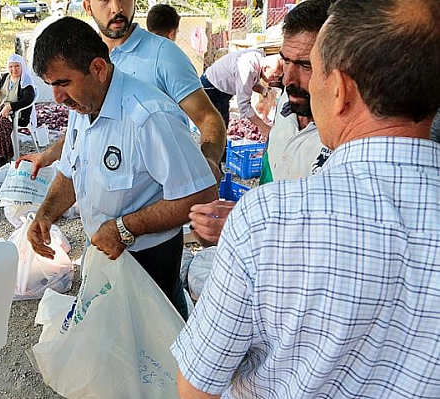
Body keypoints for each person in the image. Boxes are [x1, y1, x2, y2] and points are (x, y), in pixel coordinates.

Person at [173, 0, 440, 398]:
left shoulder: (265, 219)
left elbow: (198, 385)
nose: (300, 83)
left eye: (314, 68)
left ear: (340, 90)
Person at [28, 17, 219, 320]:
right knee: (116, 342)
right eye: (51, 86)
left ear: (98, 69)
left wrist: (124, 228)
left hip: (150, 261)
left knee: (159, 342)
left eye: (63, 83)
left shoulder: (149, 115)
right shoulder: (84, 105)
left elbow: (202, 194)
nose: (58, 98)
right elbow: (71, 171)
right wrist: (46, 214)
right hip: (106, 252)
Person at [18, 0, 226, 180]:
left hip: (158, 208)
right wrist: (49, 155)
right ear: (87, 7)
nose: (117, 8)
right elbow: (88, 128)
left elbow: (208, 118)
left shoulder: (164, 56)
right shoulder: (79, 58)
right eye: (105, 1)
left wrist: (209, 162)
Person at [189, 0, 332, 244]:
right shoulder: (291, 95)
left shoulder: (349, 136)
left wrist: (253, 225)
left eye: (306, 65)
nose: (288, 78)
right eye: (286, 61)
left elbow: (330, 230)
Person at [200, 49, 282, 138]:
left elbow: (251, 81)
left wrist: (262, 90)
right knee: (215, 131)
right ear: (266, 68)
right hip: (211, 89)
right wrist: (263, 127)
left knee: (222, 128)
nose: (276, 79)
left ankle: (221, 149)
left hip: (221, 91)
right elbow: (244, 106)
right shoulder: (248, 68)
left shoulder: (259, 57)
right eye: (275, 75)